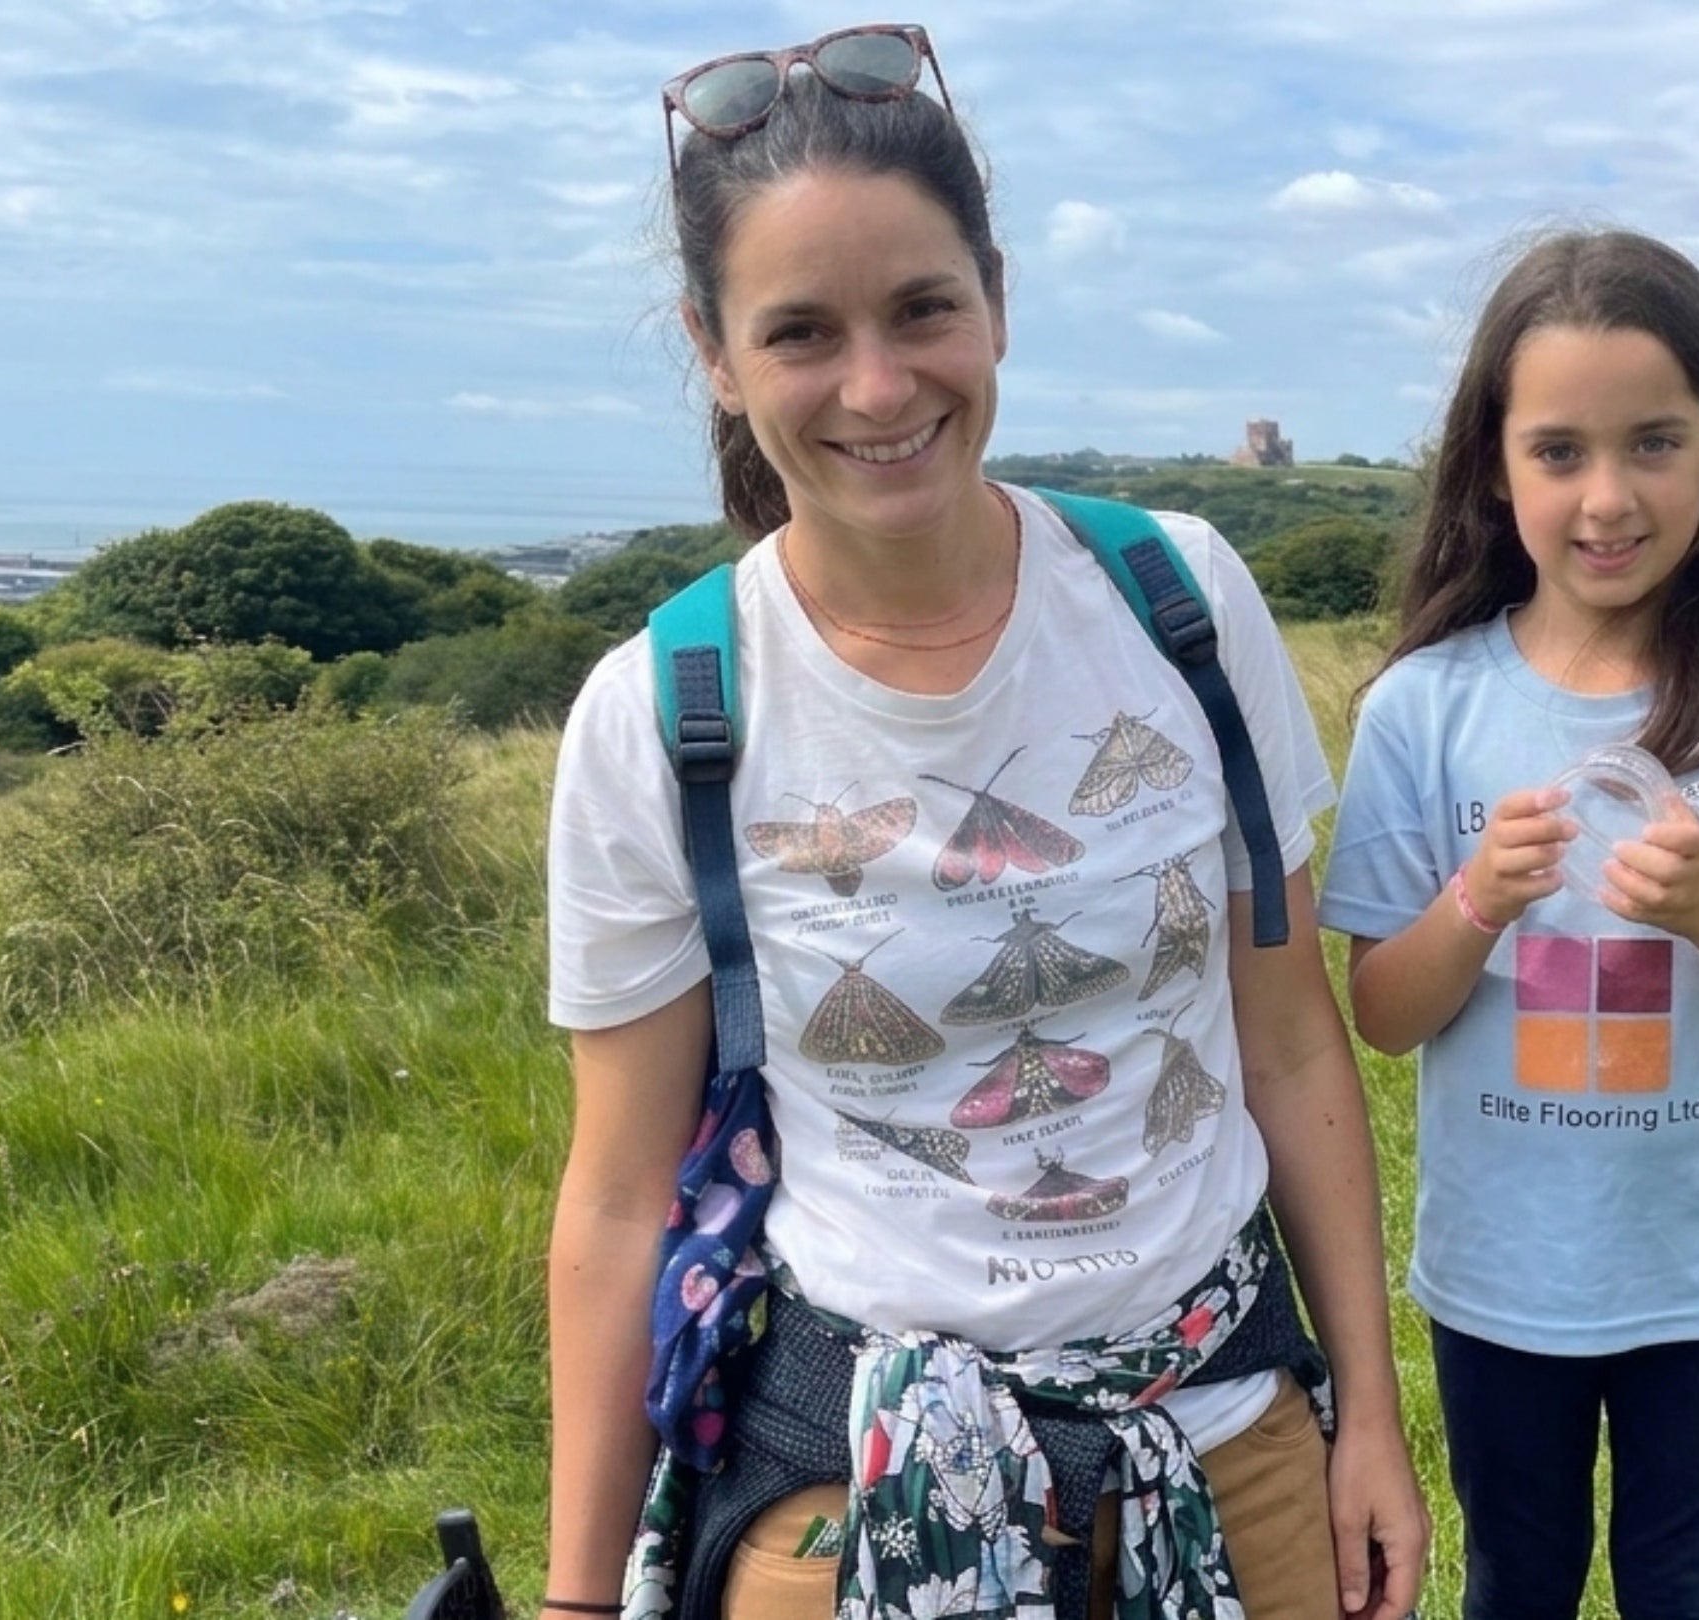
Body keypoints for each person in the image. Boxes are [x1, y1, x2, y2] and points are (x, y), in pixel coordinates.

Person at [543, 26, 1425, 1620]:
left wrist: (1370, 1413)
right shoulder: (667, 710)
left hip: (1231, 1433)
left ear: (998, 300)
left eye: (924, 310)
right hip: (855, 1483)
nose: (877, 388)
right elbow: (614, 1200)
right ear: (715, 354)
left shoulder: (1181, 606)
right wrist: (574, 1597)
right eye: (800, 333)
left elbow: (1290, 1042)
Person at [1317, 229, 1699, 1620]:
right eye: (1559, 451)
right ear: (1494, 462)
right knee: (1515, 1578)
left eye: (1653, 443)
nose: (1608, 496)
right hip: (1500, 1275)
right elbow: (1384, 1015)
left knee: (1684, 1587)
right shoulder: (1422, 709)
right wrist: (1475, 901)